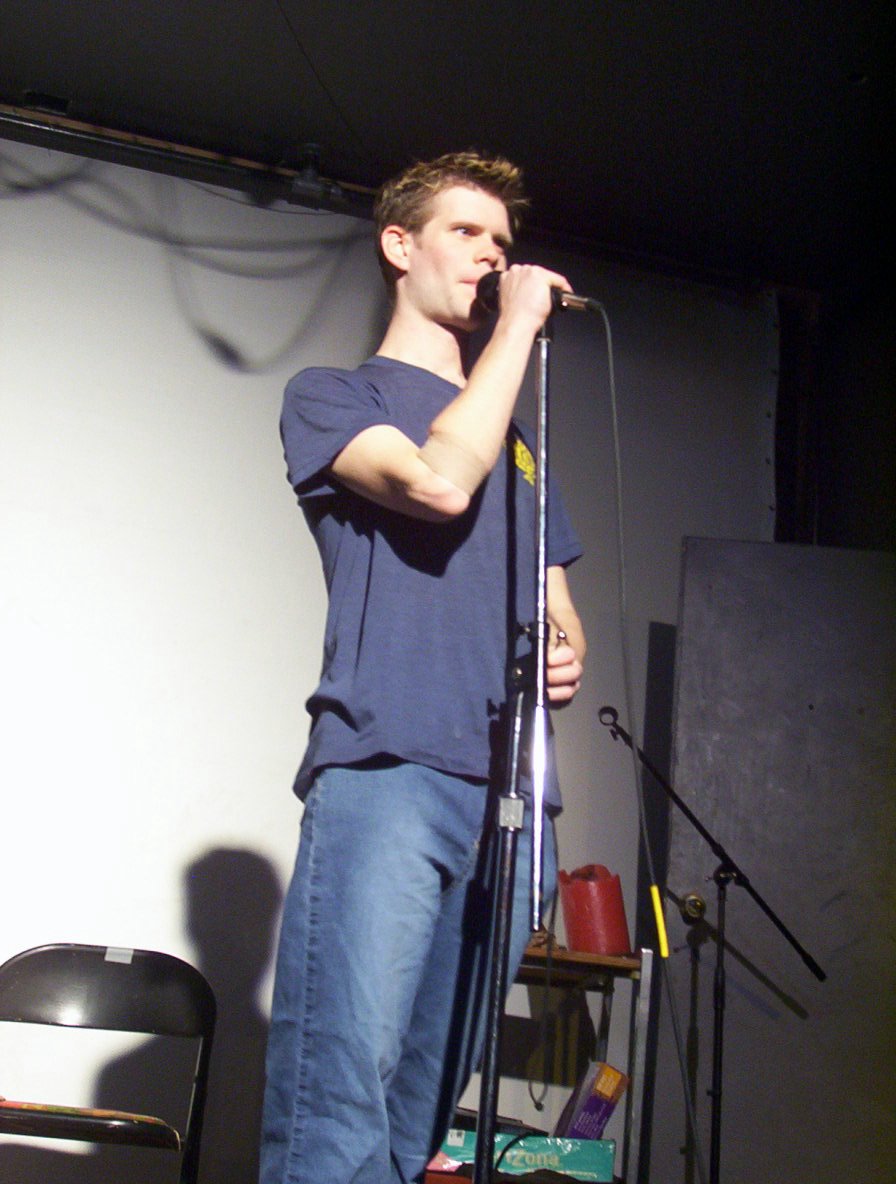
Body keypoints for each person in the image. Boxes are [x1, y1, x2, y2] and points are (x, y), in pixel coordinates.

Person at [260, 152, 586, 1184]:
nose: (493, 256)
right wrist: (520, 331)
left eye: (502, 242)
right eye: (466, 233)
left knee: (415, 1123)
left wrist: (562, 641)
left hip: (503, 805)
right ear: (398, 246)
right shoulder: (333, 395)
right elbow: (440, 483)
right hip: (388, 769)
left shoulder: (519, 443)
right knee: (338, 1104)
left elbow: (560, 619)